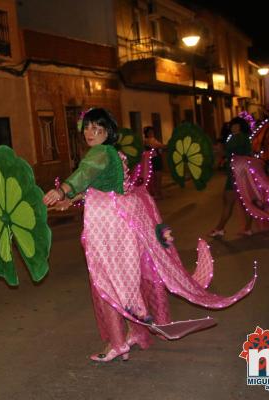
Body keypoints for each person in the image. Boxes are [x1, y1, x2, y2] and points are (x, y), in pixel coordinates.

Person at [43, 108, 255, 362]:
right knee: (125, 281)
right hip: (119, 226)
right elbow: (97, 184)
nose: (90, 133)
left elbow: (84, 173)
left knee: (107, 283)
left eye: (97, 128)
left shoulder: (99, 152)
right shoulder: (113, 153)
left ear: (108, 132)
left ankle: (118, 342)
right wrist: (71, 198)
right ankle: (134, 332)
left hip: (111, 229)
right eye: (87, 127)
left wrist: (64, 189)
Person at [209, 117, 254, 238]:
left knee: (228, 201)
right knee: (245, 202)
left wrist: (219, 150)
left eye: (235, 125)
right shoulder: (242, 137)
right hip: (241, 171)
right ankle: (247, 228)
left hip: (236, 173)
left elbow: (228, 152)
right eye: (232, 125)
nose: (233, 127)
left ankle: (220, 228)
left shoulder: (238, 137)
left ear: (240, 126)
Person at [142, 126, 166, 199]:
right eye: (149, 132)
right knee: (156, 176)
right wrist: (164, 146)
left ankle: (158, 192)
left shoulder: (152, 139)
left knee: (158, 176)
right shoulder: (147, 140)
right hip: (154, 160)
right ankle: (157, 192)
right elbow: (159, 145)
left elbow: (160, 146)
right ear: (147, 133)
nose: (151, 133)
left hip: (156, 158)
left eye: (152, 132)